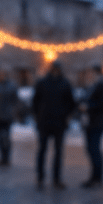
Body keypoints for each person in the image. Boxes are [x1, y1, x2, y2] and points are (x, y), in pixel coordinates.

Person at [31, 61, 75, 189]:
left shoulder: (65, 84)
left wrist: (64, 114)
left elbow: (71, 103)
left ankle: (56, 179)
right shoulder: (43, 83)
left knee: (58, 152)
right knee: (42, 151)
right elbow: (35, 101)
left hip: (58, 123)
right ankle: (40, 177)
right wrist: (38, 115)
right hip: (45, 122)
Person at [82, 63, 103, 188]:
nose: (89, 75)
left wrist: (88, 107)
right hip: (91, 122)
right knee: (91, 149)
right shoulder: (93, 86)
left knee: (94, 150)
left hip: (97, 122)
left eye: (91, 73)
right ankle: (94, 177)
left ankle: (97, 178)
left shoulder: (102, 85)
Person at [0, 67, 19, 166]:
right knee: (0, 138)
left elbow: (15, 100)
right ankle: (2, 157)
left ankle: (6, 157)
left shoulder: (11, 86)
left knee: (6, 137)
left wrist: (13, 110)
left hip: (7, 116)